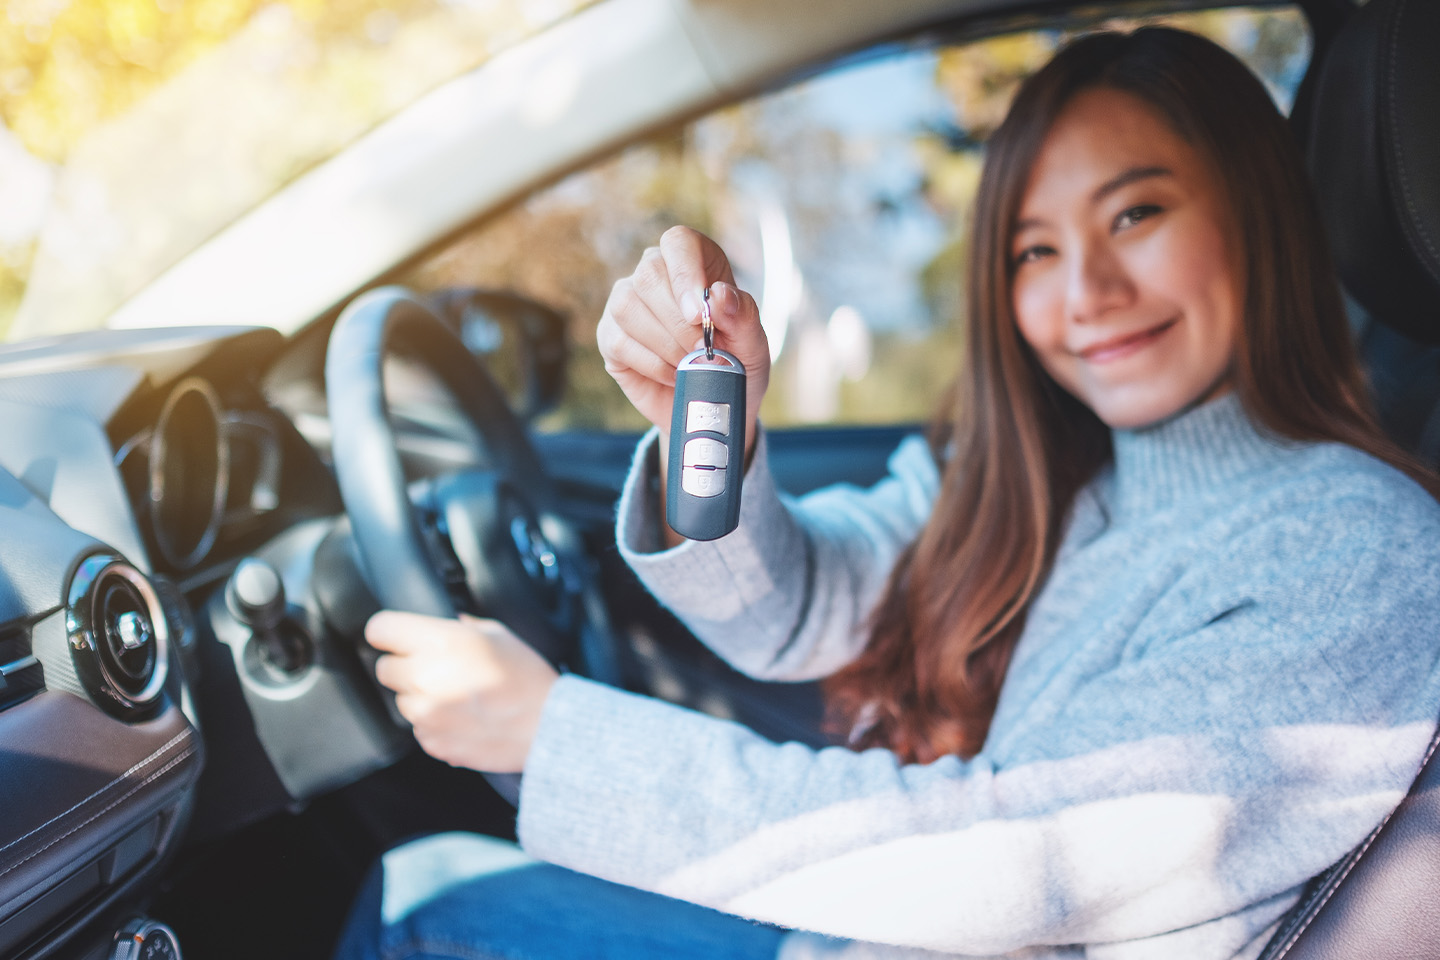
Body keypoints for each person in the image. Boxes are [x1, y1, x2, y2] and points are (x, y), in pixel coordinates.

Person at [335, 26, 1440, 960]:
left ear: (1258, 217)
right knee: (423, 879)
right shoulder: (1047, 466)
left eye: (1136, 216)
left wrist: (552, 733)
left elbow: (1013, 861)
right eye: (1033, 251)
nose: (1087, 294)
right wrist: (705, 441)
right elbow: (802, 608)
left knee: (425, 904)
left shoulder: (1355, 542)